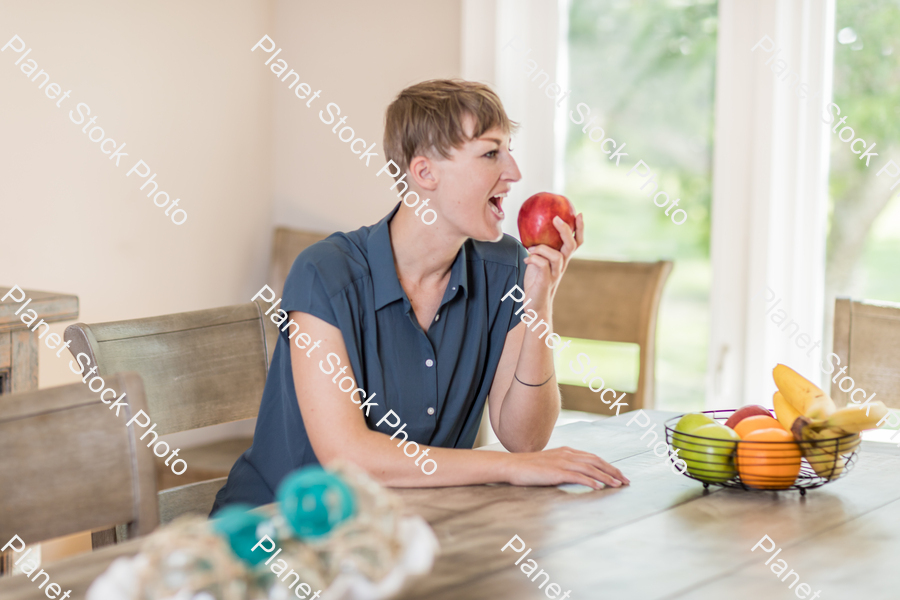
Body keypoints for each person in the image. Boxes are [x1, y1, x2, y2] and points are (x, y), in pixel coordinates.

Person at [210, 79, 628, 515]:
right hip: (279, 534)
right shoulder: (325, 273)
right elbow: (347, 458)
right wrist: (507, 469)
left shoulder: (505, 267)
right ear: (425, 173)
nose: (514, 172)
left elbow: (525, 439)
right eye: (491, 153)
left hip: (407, 529)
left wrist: (540, 305)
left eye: (508, 150)